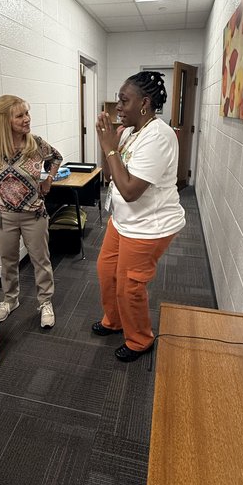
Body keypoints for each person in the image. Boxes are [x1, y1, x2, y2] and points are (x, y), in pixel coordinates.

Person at [93, 71, 185, 362]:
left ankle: (140, 340)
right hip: (123, 220)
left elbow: (131, 190)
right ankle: (115, 321)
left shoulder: (159, 136)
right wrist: (106, 145)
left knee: (129, 285)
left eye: (123, 101)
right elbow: (110, 175)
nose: (117, 107)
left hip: (148, 226)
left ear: (144, 103)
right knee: (106, 272)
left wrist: (110, 148)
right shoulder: (132, 131)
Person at [0, 95, 62, 328]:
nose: (27, 119)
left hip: (34, 215)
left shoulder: (36, 143)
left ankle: (45, 302)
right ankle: (10, 300)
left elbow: (56, 158)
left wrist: (49, 179)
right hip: (2, 215)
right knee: (8, 261)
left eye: (27, 113)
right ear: (4, 120)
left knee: (41, 261)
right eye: (20, 115)